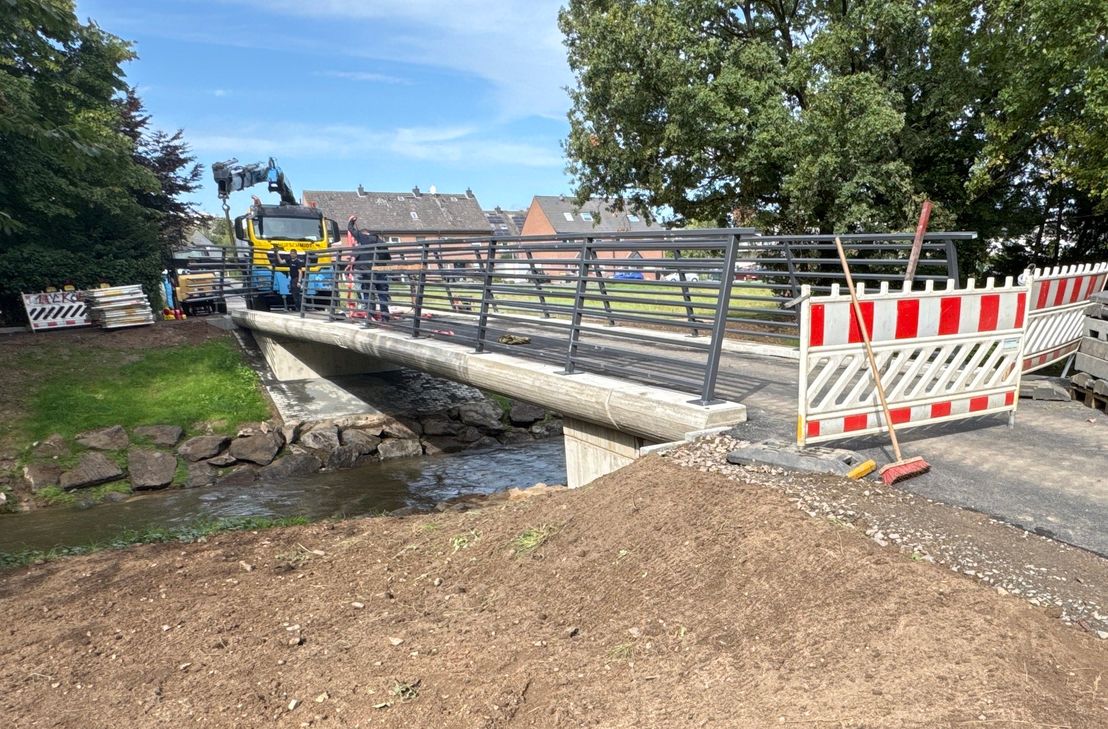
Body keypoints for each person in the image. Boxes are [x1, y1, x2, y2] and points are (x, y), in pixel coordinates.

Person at [347, 215, 391, 322]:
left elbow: (351, 230)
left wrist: (351, 221)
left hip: (366, 270)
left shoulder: (364, 238)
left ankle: (369, 317)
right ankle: (385, 317)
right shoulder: (382, 243)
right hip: (381, 271)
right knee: (382, 294)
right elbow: (388, 257)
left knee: (367, 293)